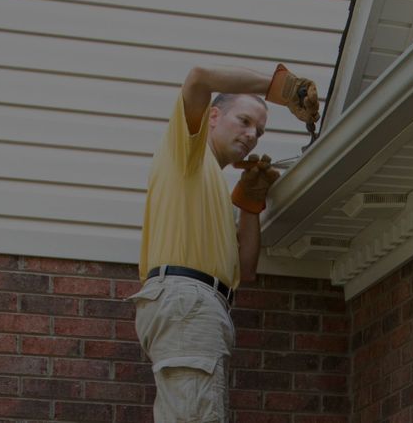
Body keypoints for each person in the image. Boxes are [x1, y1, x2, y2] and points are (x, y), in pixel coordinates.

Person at [127, 64, 319, 422]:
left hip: (203, 304)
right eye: (244, 121)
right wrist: (282, 89)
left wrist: (249, 205)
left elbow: (245, 269)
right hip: (188, 297)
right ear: (213, 116)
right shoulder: (188, 152)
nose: (252, 135)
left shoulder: (211, 181)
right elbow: (199, 77)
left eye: (259, 131)